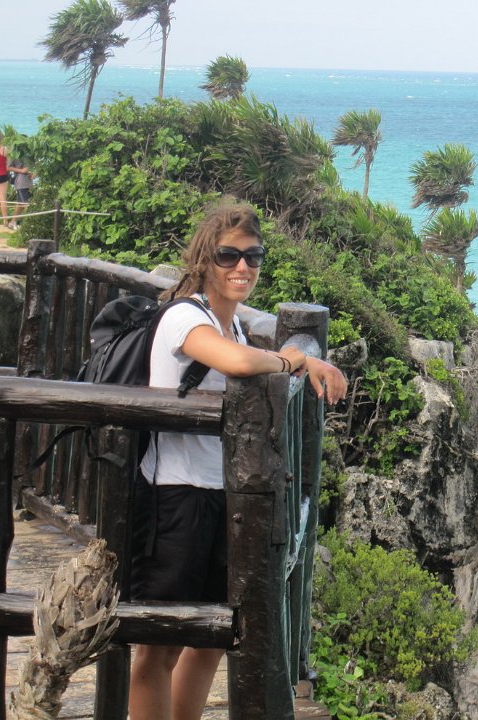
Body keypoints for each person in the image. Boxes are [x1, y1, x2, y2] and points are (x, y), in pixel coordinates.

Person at [127, 200, 347, 720]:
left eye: (253, 256)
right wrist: (295, 357)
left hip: (222, 496)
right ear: (205, 259)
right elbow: (237, 363)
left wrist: (305, 363)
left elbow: (245, 354)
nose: (242, 267)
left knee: (211, 639)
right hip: (175, 497)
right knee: (159, 644)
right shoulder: (185, 316)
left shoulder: (236, 326)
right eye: (229, 256)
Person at [7, 156, 33, 229]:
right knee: (26, 205)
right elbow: (7, 167)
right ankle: (30, 224)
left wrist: (33, 173)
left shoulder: (29, 153)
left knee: (20, 205)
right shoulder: (14, 154)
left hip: (28, 183)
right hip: (21, 184)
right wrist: (21, 170)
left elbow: (32, 167)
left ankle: (12, 222)